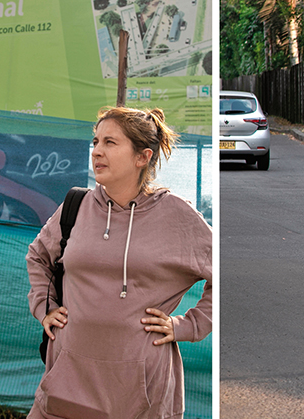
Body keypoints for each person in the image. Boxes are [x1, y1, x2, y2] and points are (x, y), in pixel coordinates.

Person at [26, 106, 212, 419]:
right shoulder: (77, 205)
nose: (96, 151)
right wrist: (44, 307)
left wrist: (188, 325)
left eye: (110, 143)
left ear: (143, 157)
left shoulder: (177, 216)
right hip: (68, 380)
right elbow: (38, 256)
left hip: (140, 392)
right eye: (96, 141)